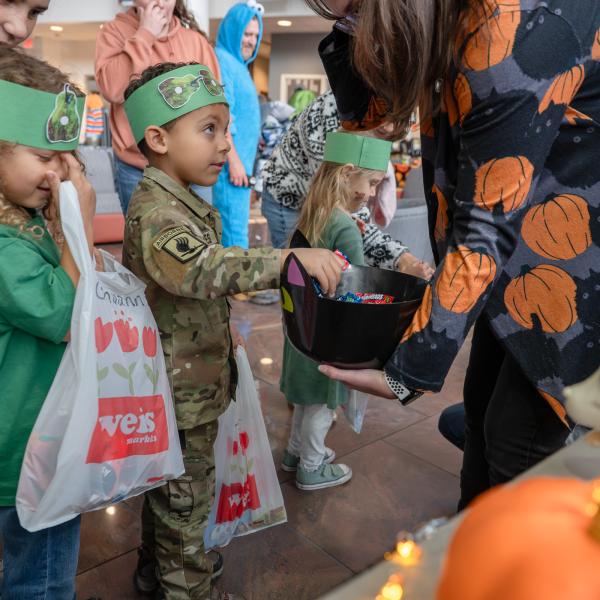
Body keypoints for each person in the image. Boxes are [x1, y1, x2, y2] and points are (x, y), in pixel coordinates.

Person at [308, 0, 600, 510]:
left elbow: (485, 225)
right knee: (484, 416)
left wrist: (409, 372)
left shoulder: (516, 21)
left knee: (518, 444)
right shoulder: (440, 16)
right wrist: (348, 22)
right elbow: (371, 117)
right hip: (515, 258)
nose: (355, 26)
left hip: (573, 266)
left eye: (358, 10)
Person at [121, 61, 343, 600]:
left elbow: (188, 290)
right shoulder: (157, 214)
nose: (225, 145)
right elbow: (203, 270)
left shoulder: (180, 201)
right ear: (158, 138)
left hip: (188, 375)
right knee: (186, 499)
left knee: (173, 489)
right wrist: (289, 258)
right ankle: (186, 583)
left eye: (227, 129)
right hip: (178, 392)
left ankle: (159, 567)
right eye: (209, 130)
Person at [0, 48, 96, 599]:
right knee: (40, 581)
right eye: (44, 155)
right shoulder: (5, 245)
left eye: (67, 157)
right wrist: (80, 225)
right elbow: (64, 314)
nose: (59, 171)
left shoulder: (31, 220)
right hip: (23, 455)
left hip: (37, 437)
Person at [281, 131, 391, 490]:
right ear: (346, 174)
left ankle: (295, 452)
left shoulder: (314, 211)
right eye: (371, 183)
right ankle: (311, 467)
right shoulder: (345, 226)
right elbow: (356, 289)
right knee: (322, 404)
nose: (372, 194)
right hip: (330, 334)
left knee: (305, 398)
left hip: (302, 327)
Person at [261, 90, 434, 280]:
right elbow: (352, 223)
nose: (390, 128)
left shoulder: (344, 179)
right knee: (297, 275)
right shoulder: (332, 121)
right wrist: (401, 261)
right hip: (287, 195)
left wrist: (403, 259)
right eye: (382, 128)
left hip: (318, 202)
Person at [95, 0, 220, 213]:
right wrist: (145, 34)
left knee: (203, 238)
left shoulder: (196, 41)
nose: (160, 2)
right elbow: (112, 90)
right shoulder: (113, 32)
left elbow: (216, 105)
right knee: (143, 242)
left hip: (195, 164)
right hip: (138, 166)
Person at [213, 1, 264, 248]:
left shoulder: (238, 66)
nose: (251, 41)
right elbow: (223, 117)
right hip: (230, 169)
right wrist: (234, 162)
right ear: (233, 30)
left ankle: (237, 287)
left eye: (255, 35)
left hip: (240, 171)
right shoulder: (222, 60)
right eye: (246, 33)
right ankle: (235, 289)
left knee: (237, 233)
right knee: (234, 240)